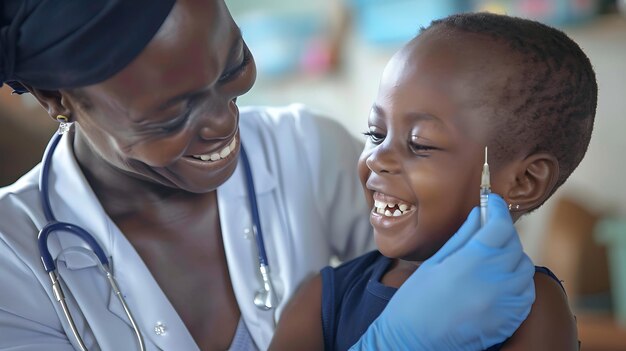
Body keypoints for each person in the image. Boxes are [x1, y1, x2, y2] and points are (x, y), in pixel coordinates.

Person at [0, 1, 536, 350]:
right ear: (56, 99)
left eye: (233, 66)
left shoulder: (307, 150)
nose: (222, 121)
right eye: (170, 113)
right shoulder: (13, 263)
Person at [269, 12, 596, 351]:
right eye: (376, 133)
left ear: (525, 182)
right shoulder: (322, 300)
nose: (378, 158)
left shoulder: (535, 307)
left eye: (420, 144)